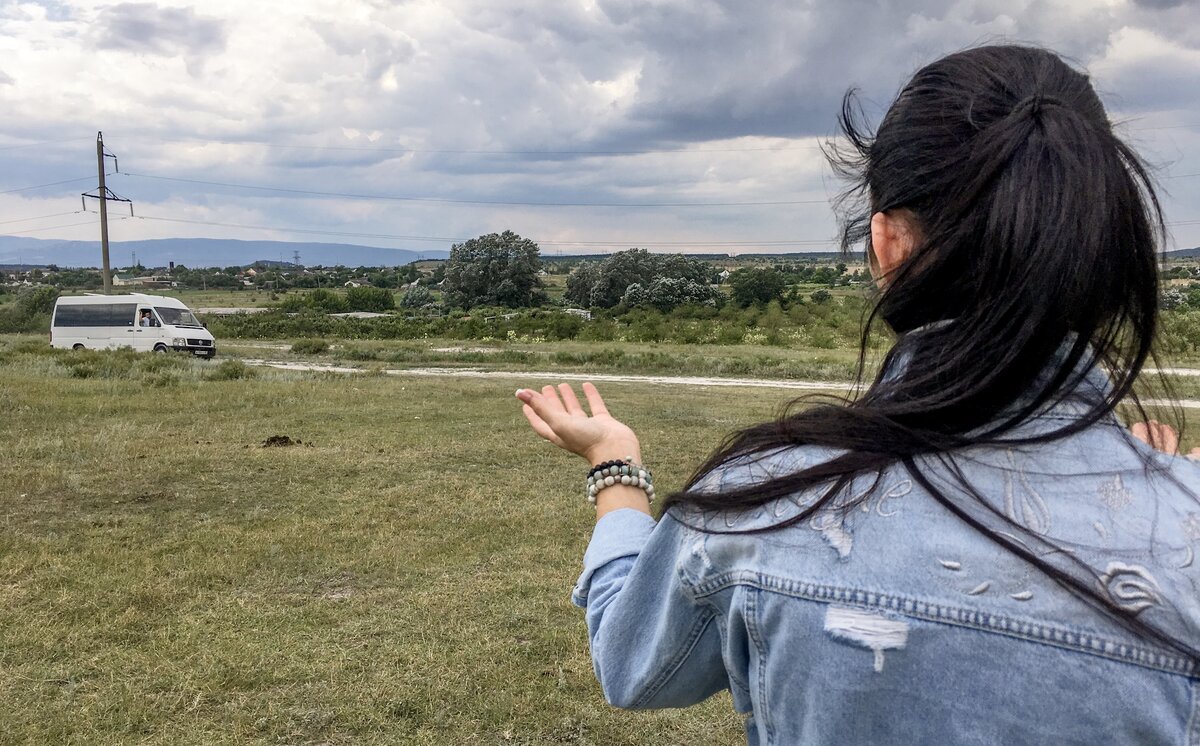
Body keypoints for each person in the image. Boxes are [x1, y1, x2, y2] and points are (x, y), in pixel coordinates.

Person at [515, 44, 1200, 744]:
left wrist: (614, 465)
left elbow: (631, 660)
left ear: (888, 242)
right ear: (1104, 246)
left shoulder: (762, 498)